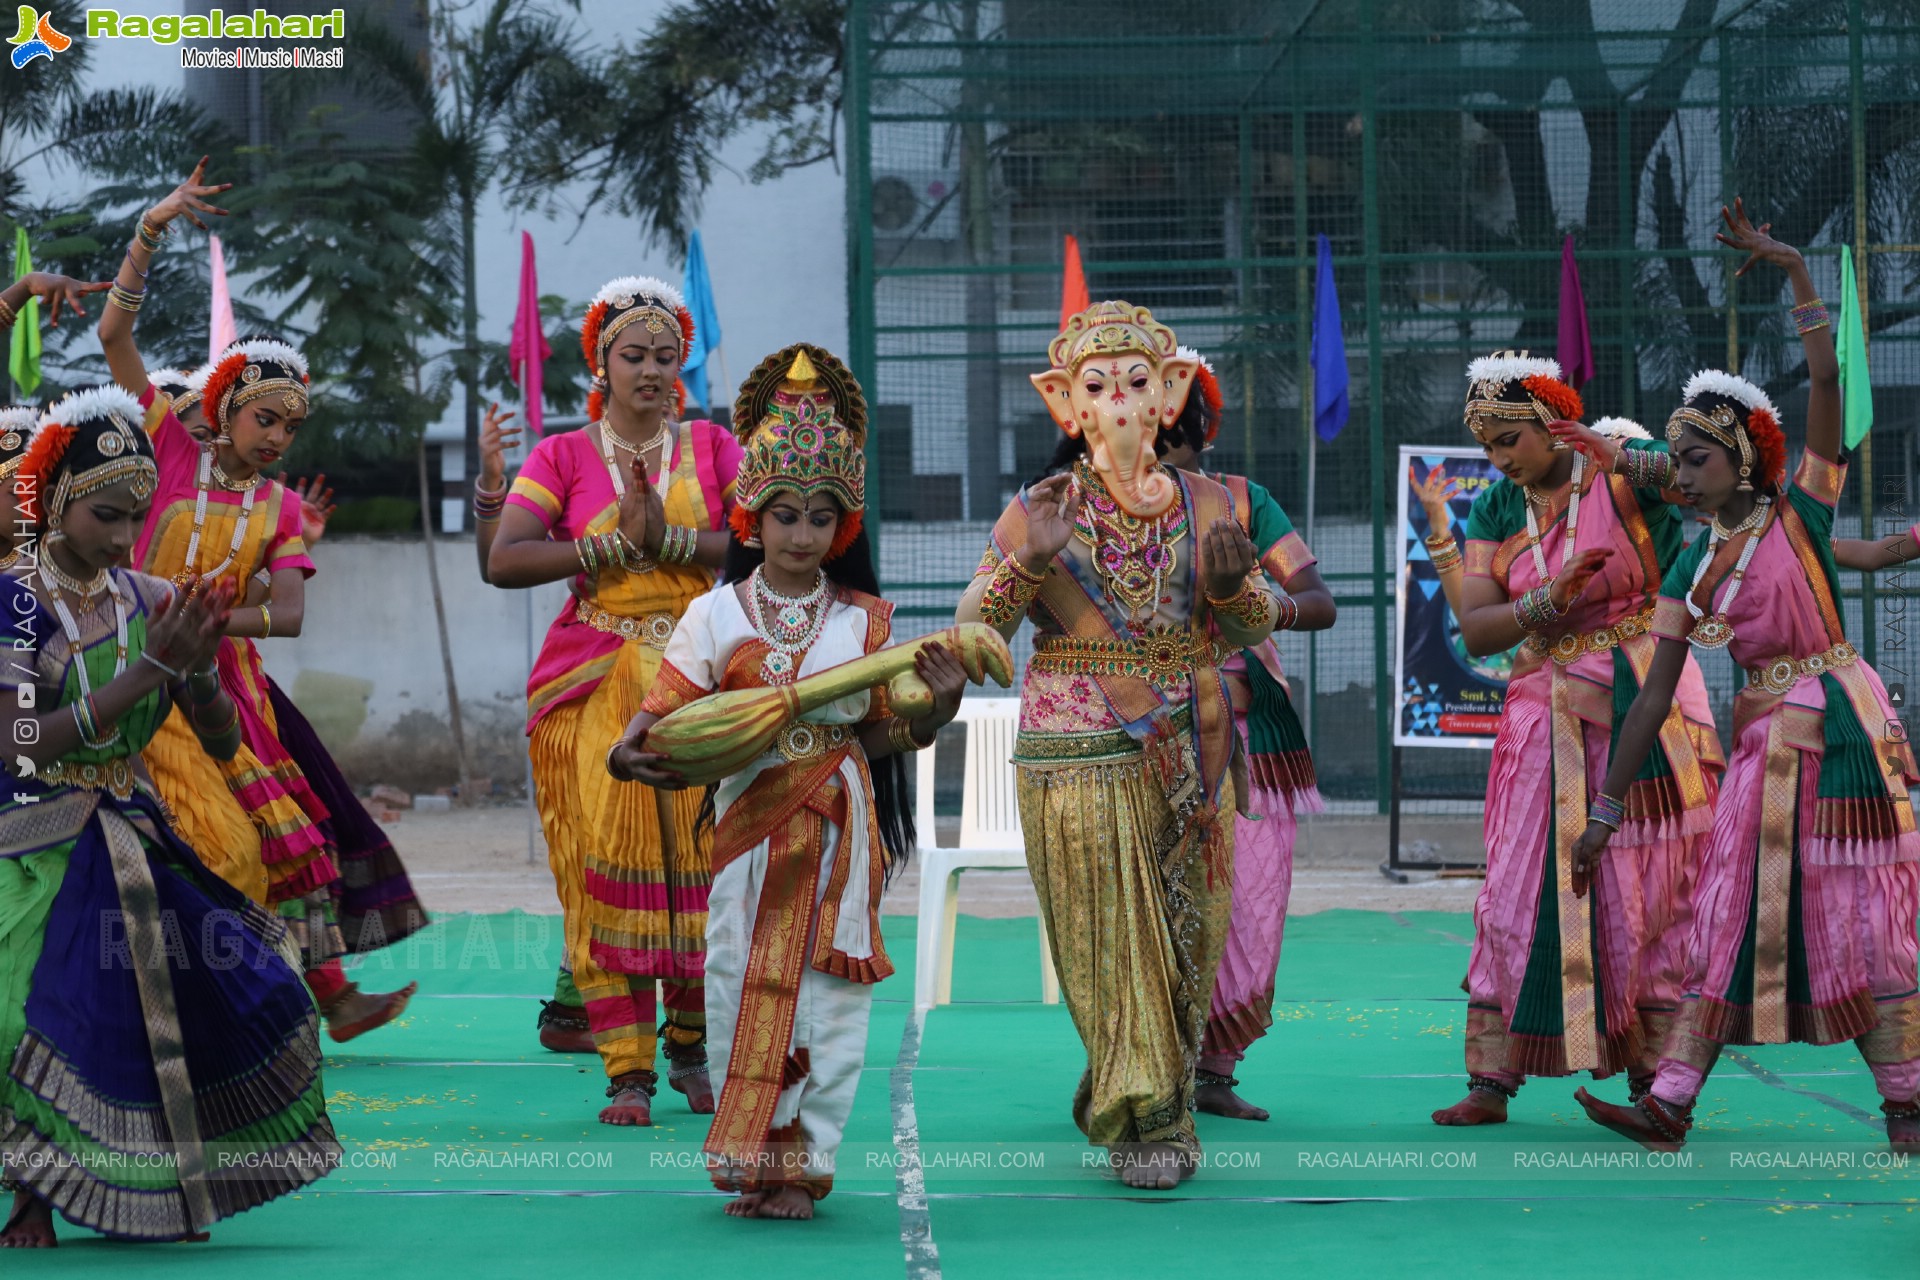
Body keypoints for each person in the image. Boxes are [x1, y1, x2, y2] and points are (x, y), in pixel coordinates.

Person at [1572, 204, 1919, 1154]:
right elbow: (1652, 693)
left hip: (1842, 735)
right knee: (1729, 911)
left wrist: (1796, 271)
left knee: (1865, 918)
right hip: (1766, 749)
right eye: (1674, 460)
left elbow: (1825, 380)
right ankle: (1670, 1102)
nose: (1680, 475)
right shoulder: (1692, 562)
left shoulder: (1800, 509)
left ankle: (1910, 1103)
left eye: (1696, 458)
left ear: (1743, 459)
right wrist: (1604, 812)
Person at [610, 343, 972, 1219]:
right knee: (738, 983)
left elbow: (888, 734)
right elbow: (657, 718)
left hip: (841, 833)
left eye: (819, 518)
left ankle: (803, 1173)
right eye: (784, 516)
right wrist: (629, 754)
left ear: (842, 528)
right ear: (751, 519)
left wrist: (936, 714)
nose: (802, 534)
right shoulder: (714, 613)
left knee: (831, 1005)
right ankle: (755, 1158)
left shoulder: (867, 620)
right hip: (745, 828)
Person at [0, 388, 338, 1248]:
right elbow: (23, 746)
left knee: (200, 1002)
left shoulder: (152, 594)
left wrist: (200, 671)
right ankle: (32, 1194)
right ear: (56, 502)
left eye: (136, 517)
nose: (122, 538)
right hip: (31, 844)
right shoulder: (15, 603)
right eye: (106, 516)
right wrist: (153, 668)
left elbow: (216, 722)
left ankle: (163, 1191)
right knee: (34, 1014)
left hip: (132, 828)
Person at [958, 301, 1276, 1189]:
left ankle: (1137, 1076)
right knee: (1113, 936)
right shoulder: (1041, 506)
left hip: (1194, 739)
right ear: (1069, 405)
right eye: (1098, 386)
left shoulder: (1213, 502)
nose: (1122, 401)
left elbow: (1249, 622)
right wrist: (1030, 562)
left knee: (1186, 941)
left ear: (1170, 392)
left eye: (1139, 382)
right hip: (1076, 744)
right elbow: (975, 627)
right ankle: (1153, 1120)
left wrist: (1228, 587)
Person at [97, 161, 415, 1039]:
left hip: (226, 689)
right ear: (227, 408)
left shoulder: (277, 509)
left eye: (290, 425)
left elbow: (289, 615)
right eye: (264, 418)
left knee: (290, 849)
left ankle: (316, 997)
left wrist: (201, 623)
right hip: (135, 675)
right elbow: (114, 331)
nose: (276, 438)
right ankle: (216, 1013)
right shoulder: (164, 452)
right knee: (213, 847)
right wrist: (151, 228)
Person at [1422, 352, 1723, 1126]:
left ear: (1553, 424)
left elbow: (1704, 481)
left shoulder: (1622, 479)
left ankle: (1652, 1084)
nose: (1498, 458)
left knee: (1648, 892)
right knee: (1515, 889)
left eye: (1510, 438)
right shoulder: (1495, 509)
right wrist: (1548, 601)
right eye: (1487, 444)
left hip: (1644, 699)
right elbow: (1481, 626)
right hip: (1542, 707)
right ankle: (1492, 1079)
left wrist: (1613, 449)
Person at [490, 276, 742, 1120]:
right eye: (634, 355)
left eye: (667, 357)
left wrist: (665, 538)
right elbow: (506, 558)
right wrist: (601, 544)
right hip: (592, 677)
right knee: (604, 872)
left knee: (704, 867)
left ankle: (694, 1048)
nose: (651, 370)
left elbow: (756, 545)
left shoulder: (712, 446)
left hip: (696, 672)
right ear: (601, 361)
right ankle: (626, 1069)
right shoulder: (561, 456)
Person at [1155, 349, 1336, 1122]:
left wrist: (1256, 610)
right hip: (1137, 719)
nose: (1155, 435)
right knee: (1145, 889)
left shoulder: (1241, 500)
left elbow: (1317, 600)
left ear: (1199, 426)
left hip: (1242, 717)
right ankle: (1141, 1064)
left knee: (1246, 889)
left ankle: (1213, 1070)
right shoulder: (1085, 504)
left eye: (1171, 420)